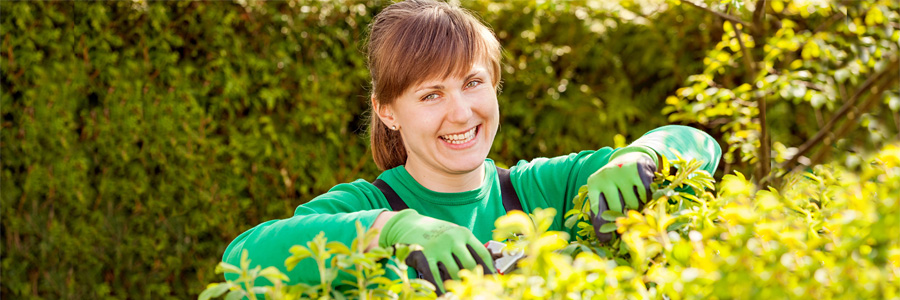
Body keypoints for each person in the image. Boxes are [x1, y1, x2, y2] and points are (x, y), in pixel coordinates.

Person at [222, 0, 721, 295]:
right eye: (431, 95)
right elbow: (242, 261)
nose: (461, 113)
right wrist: (391, 229)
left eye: (473, 83)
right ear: (387, 111)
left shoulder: (544, 189)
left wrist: (643, 157)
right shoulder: (368, 206)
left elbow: (698, 145)